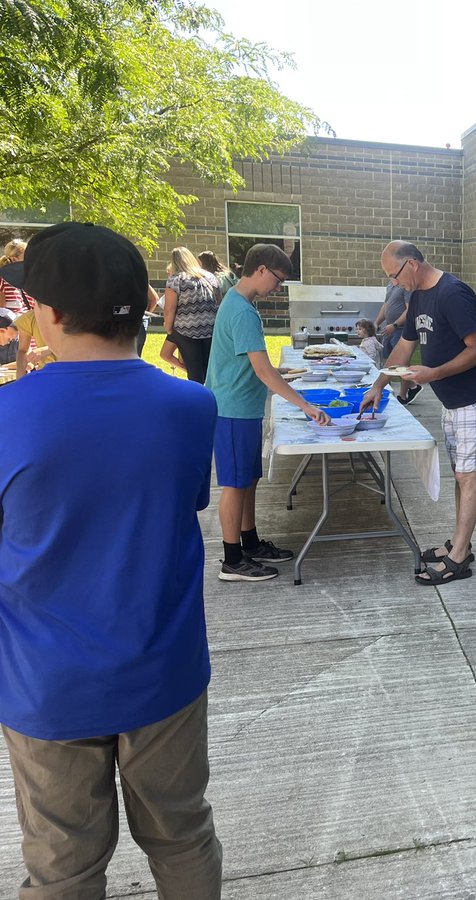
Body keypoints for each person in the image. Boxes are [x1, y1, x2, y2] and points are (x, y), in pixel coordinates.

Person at [0, 222, 222, 897]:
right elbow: (186, 503)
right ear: (147, 305)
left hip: (47, 683)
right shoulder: (191, 404)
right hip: (162, 669)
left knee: (63, 868)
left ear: (49, 311)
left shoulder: (9, 414)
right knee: (183, 836)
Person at [361, 240, 476, 585]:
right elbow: (405, 349)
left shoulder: (452, 293)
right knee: (460, 473)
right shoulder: (417, 298)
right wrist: (378, 385)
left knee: (468, 476)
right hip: (452, 400)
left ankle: (458, 559)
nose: (393, 284)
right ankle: (460, 543)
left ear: (411, 264)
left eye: (394, 276)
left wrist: (432, 374)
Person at [205, 243, 331, 583]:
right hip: (232, 409)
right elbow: (262, 371)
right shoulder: (242, 311)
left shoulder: (238, 301)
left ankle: (250, 542)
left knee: (249, 479)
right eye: (278, 279)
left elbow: (255, 365)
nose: (277, 288)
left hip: (243, 407)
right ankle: (232, 560)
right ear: (261, 269)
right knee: (234, 484)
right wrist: (306, 406)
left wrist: (282, 375)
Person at [163, 246, 220, 383]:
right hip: (210, 328)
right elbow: (219, 302)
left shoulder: (176, 280)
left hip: (186, 330)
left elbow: (169, 309)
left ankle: (198, 398)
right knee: (208, 369)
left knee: (195, 374)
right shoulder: (210, 277)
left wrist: (169, 328)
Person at [13, 307, 56, 378]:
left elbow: (78, 346)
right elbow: (22, 351)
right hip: (44, 374)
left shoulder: (70, 315)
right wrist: (20, 379)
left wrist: (49, 350)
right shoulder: (28, 318)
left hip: (70, 371)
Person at [376, 279, 411, 360]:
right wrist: (376, 323)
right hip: (388, 329)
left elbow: (409, 310)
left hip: (401, 330)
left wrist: (395, 325)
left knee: (399, 360)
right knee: (386, 359)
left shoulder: (405, 285)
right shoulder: (390, 285)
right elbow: (385, 305)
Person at [1, 238, 27, 314]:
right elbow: (1, 312)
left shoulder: (27, 279)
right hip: (12, 322)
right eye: (26, 256)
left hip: (27, 321)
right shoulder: (3, 278)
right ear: (14, 259)